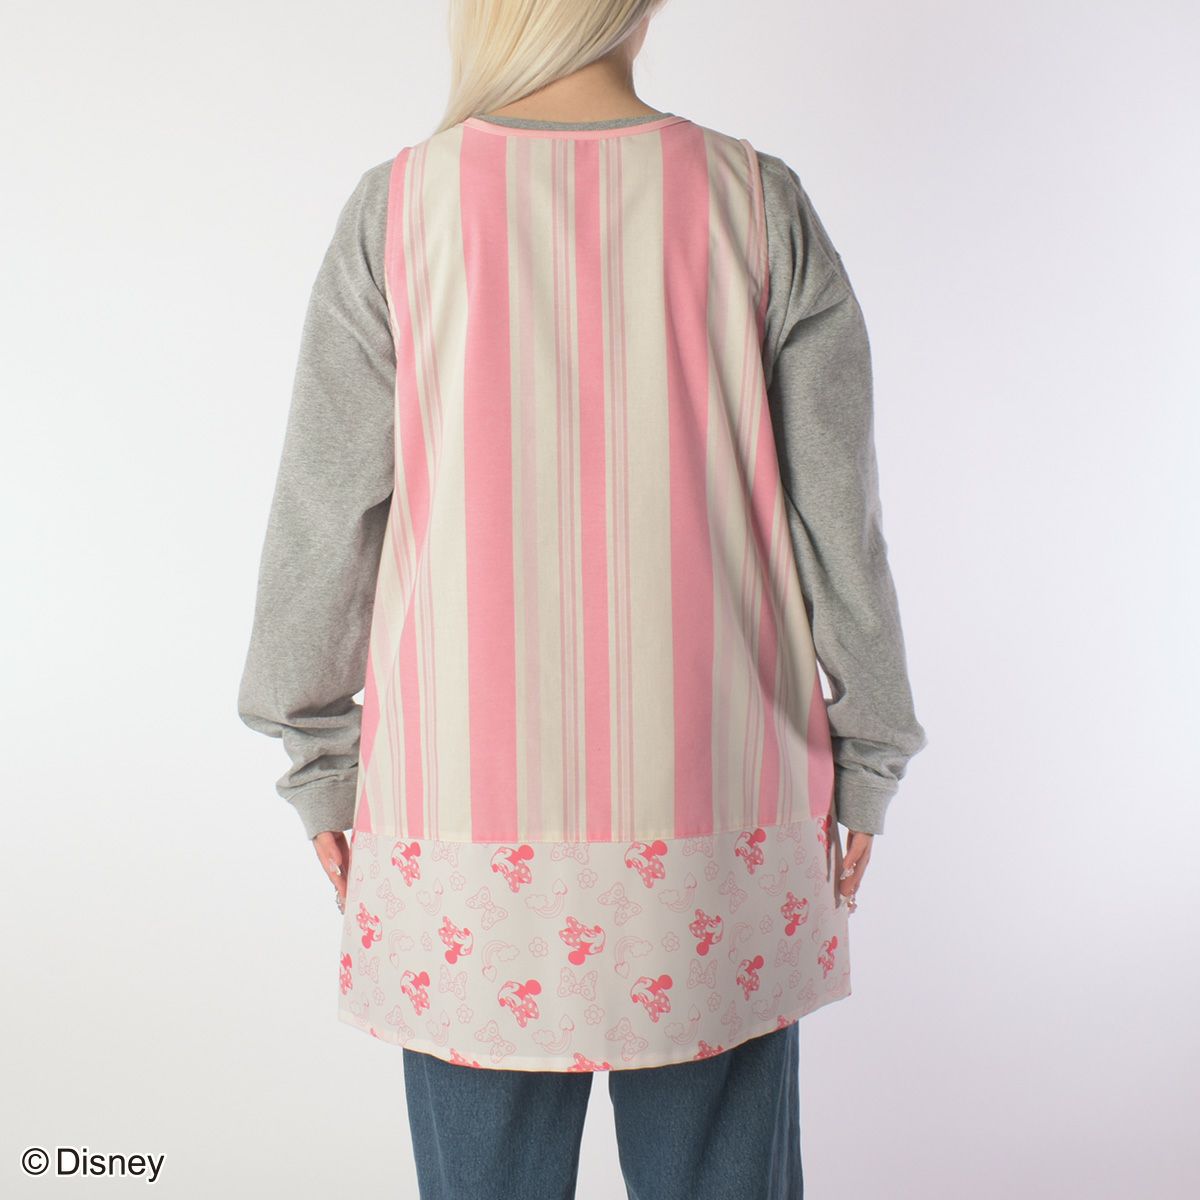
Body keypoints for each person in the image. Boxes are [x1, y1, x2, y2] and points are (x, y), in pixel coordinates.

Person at [237, 2, 928, 1196]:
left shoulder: (402, 209)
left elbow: (323, 516)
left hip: (459, 819)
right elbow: (840, 522)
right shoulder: (752, 201)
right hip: (719, 806)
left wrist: (315, 752)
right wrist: (869, 746)